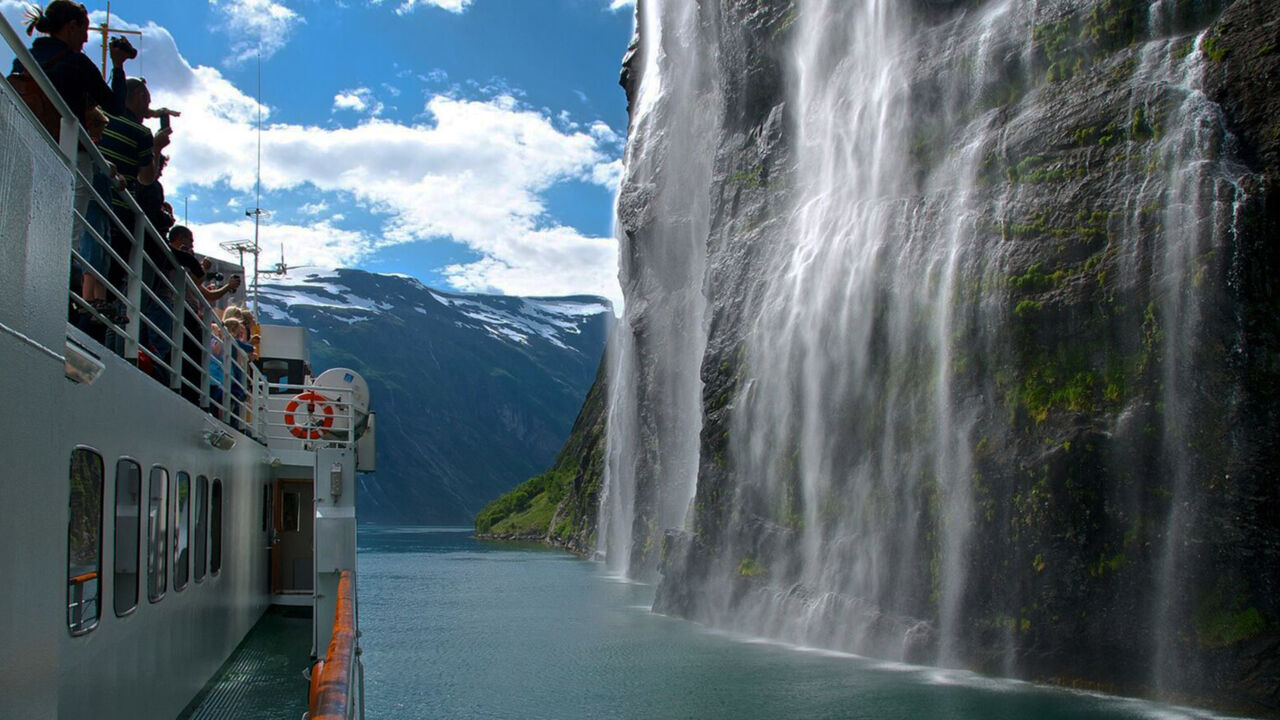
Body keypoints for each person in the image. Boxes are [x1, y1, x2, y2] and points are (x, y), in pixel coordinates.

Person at [9, 1, 131, 134]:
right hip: (64, 146)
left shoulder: (22, 61)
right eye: (84, 30)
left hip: (24, 137)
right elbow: (116, 107)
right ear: (72, 27)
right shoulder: (77, 63)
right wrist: (118, 66)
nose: (85, 39)